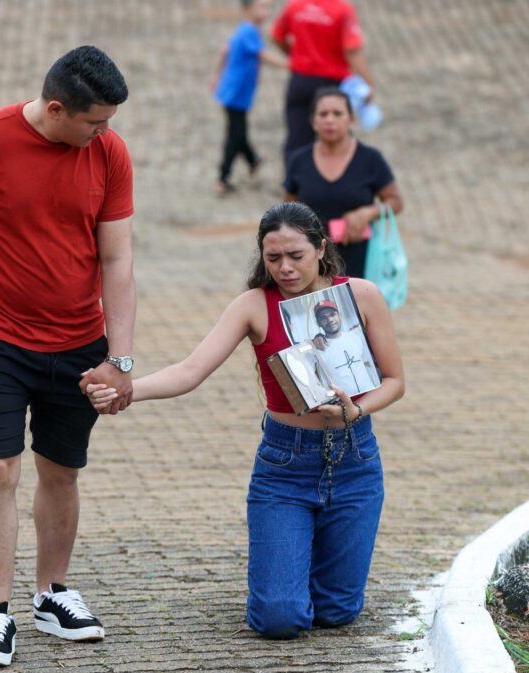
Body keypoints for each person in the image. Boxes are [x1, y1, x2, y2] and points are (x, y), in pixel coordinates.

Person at [85, 201, 404, 639]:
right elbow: (190, 370)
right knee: (280, 619)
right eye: (273, 258)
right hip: (286, 465)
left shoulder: (361, 295)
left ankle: (302, 564)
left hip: (355, 459)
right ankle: (286, 568)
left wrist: (357, 410)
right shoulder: (254, 305)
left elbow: (394, 381)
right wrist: (127, 390)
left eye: (296, 256)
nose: (285, 268)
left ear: (321, 248)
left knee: (336, 612)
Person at [0, 46, 135, 668]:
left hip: (80, 342)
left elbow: (117, 258)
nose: (104, 133)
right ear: (57, 108)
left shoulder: (110, 154)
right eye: (95, 121)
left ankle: (52, 594)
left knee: (60, 472)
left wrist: (121, 358)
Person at [284, 87, 402, 278]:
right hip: (312, 266)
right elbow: (288, 209)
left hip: (362, 263)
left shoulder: (370, 159)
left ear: (351, 119)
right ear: (313, 121)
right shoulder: (299, 161)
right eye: (323, 114)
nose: (330, 120)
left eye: (337, 113)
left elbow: (395, 202)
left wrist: (367, 213)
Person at [271, 0, 376, 167]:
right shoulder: (343, 10)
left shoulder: (295, 6)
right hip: (331, 85)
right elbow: (352, 50)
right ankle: (333, 178)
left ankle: (294, 181)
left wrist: (295, 55)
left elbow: (277, 36)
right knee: (335, 139)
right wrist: (369, 84)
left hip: (300, 80)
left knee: (297, 140)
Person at [209, 0, 285, 195]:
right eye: (262, 6)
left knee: (238, 130)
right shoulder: (249, 31)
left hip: (236, 90)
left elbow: (224, 50)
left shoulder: (244, 29)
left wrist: (216, 75)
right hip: (236, 91)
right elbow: (263, 55)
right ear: (248, 9)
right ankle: (223, 177)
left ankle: (253, 160)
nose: (266, 11)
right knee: (235, 134)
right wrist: (289, 64)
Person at [312, 300, 378, 393]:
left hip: (370, 392)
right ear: (318, 323)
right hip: (343, 400)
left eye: (332, 314)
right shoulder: (317, 348)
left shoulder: (356, 337)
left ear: (340, 316)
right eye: (323, 317)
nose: (330, 320)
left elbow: (368, 363)